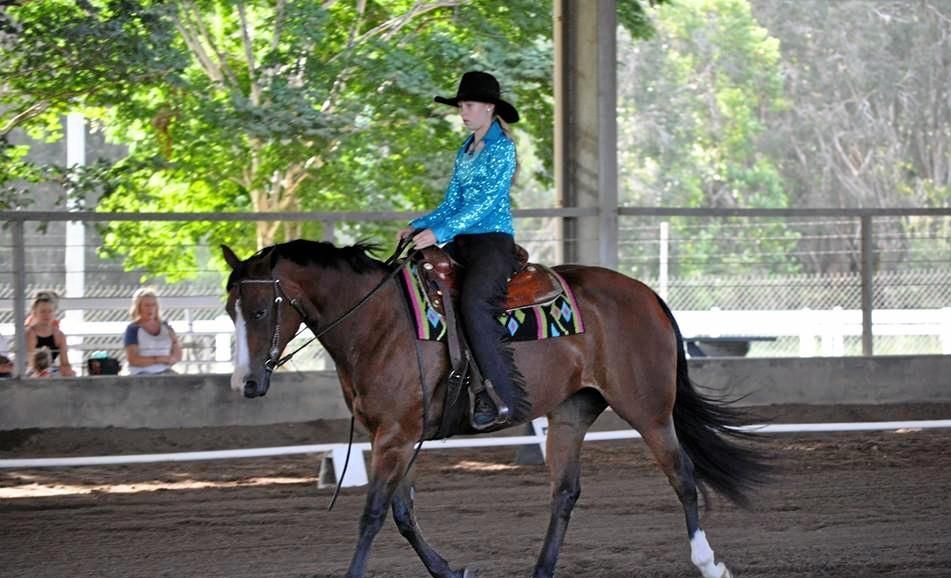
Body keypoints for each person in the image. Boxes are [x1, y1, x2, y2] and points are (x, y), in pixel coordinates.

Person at [398, 70, 523, 429]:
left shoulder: (502, 149)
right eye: (461, 106)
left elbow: (484, 205)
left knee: (474, 304)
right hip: (460, 240)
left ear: (489, 108)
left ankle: (497, 394)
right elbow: (452, 203)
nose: (462, 112)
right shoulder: (465, 149)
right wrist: (421, 224)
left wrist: (438, 232)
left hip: (492, 243)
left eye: (468, 105)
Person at [124, 287, 183, 375]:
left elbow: (177, 355)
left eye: (153, 305)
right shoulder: (133, 329)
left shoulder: (166, 328)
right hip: (140, 373)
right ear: (139, 307)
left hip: (165, 371)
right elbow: (133, 359)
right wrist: (158, 359)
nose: (150, 308)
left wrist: (171, 358)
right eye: (147, 305)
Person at [25, 291, 75, 377]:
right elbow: (31, 364)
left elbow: (65, 363)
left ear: (54, 312)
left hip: (50, 371)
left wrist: (68, 371)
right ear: (35, 313)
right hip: (31, 372)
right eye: (42, 311)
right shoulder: (30, 333)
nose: (46, 315)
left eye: (50, 311)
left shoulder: (59, 335)